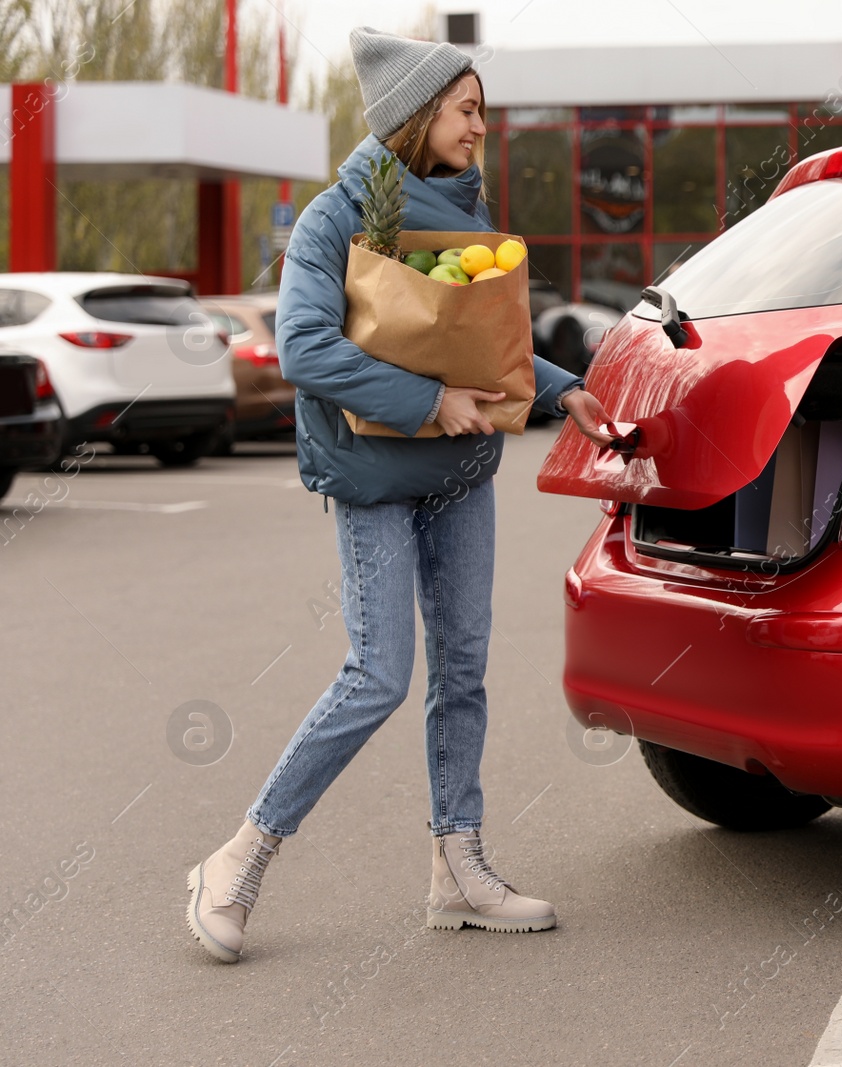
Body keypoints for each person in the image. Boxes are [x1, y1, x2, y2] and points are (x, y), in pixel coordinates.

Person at [185, 26, 614, 964]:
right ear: (417, 113)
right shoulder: (336, 217)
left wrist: (558, 385)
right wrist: (429, 402)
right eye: (467, 112)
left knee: (463, 670)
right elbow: (304, 347)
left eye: (483, 114)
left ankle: (456, 867)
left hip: (459, 476)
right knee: (379, 674)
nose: (479, 131)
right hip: (374, 476)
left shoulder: (469, 209)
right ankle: (238, 856)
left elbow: (479, 344)